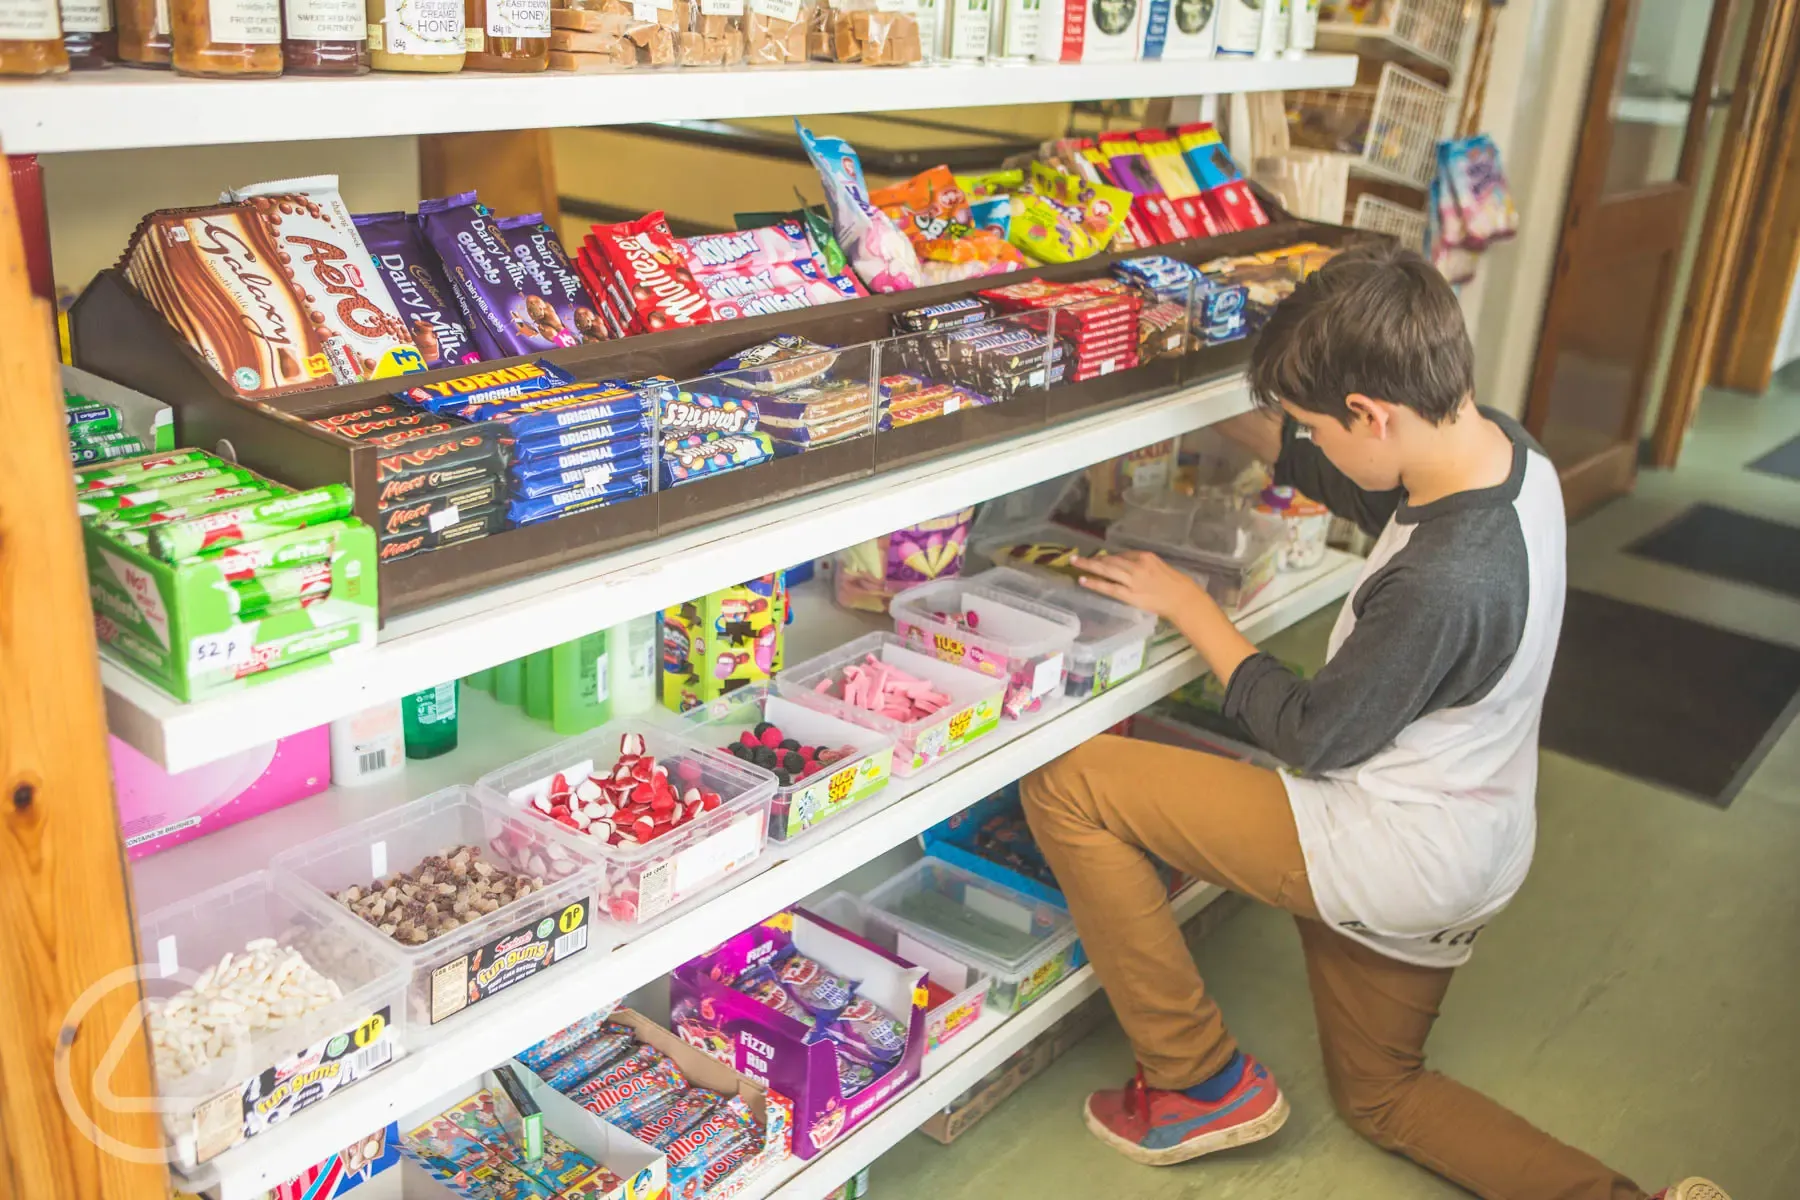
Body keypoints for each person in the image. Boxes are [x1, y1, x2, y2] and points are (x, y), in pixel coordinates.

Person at [1021, 245, 1727, 1200]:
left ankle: (1196, 1079)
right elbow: (1365, 484)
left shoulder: (1448, 578)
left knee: (1069, 786)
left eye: (1312, 421)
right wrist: (1177, 388)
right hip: (1478, 841)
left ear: (1372, 412)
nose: (1303, 437)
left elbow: (1312, 732)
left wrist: (1191, 608)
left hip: (1392, 846)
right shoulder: (1503, 454)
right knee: (1385, 1095)